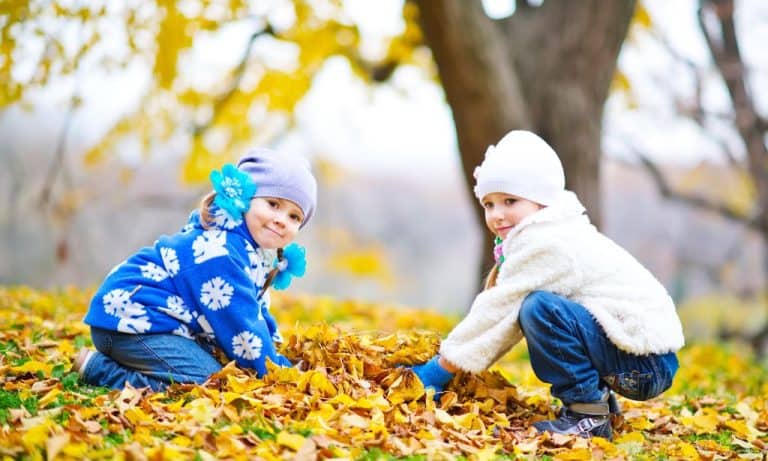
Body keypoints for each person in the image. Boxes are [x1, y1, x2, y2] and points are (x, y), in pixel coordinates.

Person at [410, 130, 683, 440]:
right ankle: (598, 404)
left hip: (645, 363)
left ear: (540, 201)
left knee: (539, 308)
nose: (497, 215)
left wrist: (438, 370)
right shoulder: (551, 230)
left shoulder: (550, 243)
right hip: (642, 358)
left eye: (510, 201)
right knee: (548, 309)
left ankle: (588, 416)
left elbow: (500, 310)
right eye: (489, 204)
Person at [73, 148, 317, 391]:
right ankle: (102, 370)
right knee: (212, 382)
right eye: (273, 204)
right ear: (243, 199)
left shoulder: (251, 252)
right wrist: (278, 374)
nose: (282, 219)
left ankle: (144, 361)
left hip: (154, 326)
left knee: (216, 371)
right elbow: (242, 327)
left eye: (294, 216)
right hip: (127, 324)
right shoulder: (222, 252)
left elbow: (255, 312)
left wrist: (278, 352)